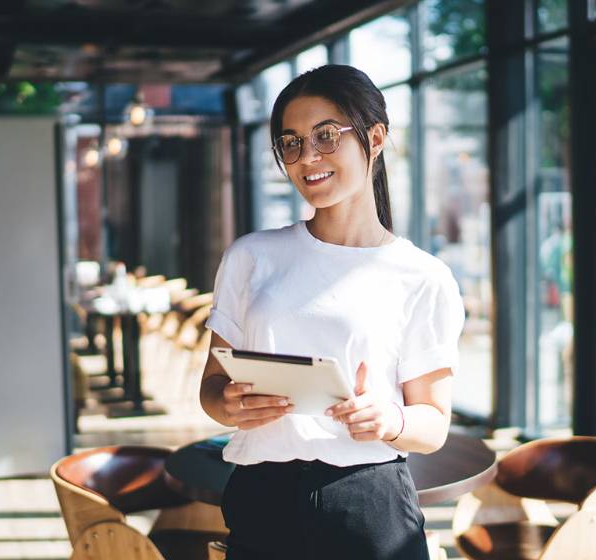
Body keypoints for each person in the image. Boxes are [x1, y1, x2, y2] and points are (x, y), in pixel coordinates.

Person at [197, 64, 465, 560]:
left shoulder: (421, 276)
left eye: (326, 136)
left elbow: (432, 425)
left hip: (369, 500)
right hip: (261, 496)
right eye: (291, 142)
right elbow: (212, 389)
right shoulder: (250, 257)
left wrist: (388, 419)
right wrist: (227, 404)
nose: (308, 157)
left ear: (376, 138)